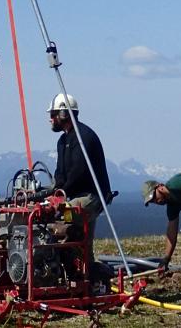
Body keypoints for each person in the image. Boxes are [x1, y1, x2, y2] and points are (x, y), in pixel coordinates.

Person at [48, 93, 113, 255]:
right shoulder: (63, 141)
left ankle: (61, 253)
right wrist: (53, 192)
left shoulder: (84, 137)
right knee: (84, 249)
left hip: (91, 197)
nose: (50, 119)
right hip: (77, 197)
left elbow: (79, 172)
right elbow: (60, 174)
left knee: (62, 214)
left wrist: (61, 197)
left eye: (52, 114)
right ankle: (86, 270)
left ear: (63, 114)